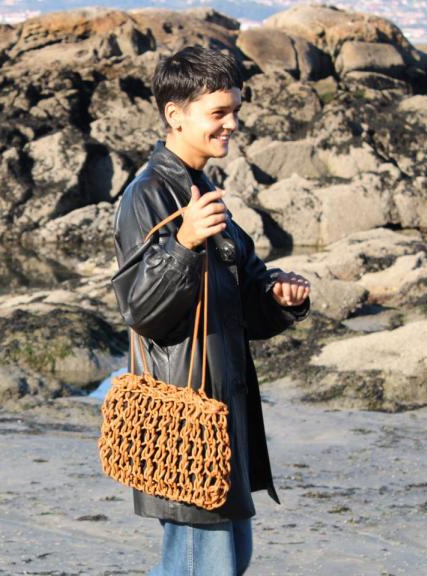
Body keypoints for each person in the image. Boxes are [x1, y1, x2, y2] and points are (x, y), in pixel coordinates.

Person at [111, 46, 312, 575]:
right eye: (218, 113)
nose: (231, 125)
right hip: (185, 417)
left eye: (235, 112)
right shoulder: (148, 195)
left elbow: (241, 298)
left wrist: (279, 299)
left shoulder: (202, 189)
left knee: (222, 560)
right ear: (175, 115)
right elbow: (141, 310)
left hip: (221, 410)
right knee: (207, 567)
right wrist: (183, 243)